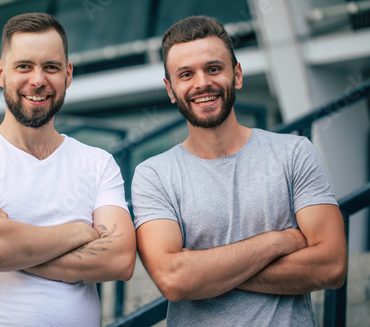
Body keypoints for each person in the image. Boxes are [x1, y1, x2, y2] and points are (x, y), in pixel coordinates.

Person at [131, 15, 347, 326]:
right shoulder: (154, 174)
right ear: (170, 89)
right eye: (186, 74)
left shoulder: (294, 153)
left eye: (214, 68)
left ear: (238, 74)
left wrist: (204, 272)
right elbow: (174, 279)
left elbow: (331, 267)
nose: (202, 82)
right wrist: (277, 242)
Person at [0, 12, 136, 326]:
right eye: (24, 66)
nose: (38, 80)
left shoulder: (98, 163)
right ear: (0, 72)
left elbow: (121, 259)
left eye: (51, 67)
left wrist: (12, 245)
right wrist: (78, 232)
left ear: (68, 74)